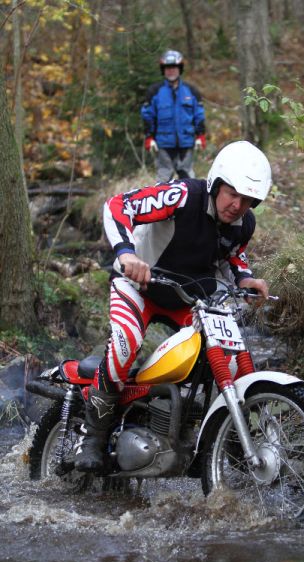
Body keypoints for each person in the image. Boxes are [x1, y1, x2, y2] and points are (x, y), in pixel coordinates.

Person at [74, 141, 272, 472]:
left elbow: (232, 255)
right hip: (139, 285)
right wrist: (126, 253)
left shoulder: (244, 223)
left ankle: (224, 436)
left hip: (189, 298)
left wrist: (245, 279)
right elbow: (118, 205)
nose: (237, 205)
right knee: (125, 345)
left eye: (247, 200)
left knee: (226, 354)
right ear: (216, 184)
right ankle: (91, 436)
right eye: (232, 194)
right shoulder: (181, 195)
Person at [141, 49, 206, 182]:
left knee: (188, 180)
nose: (171, 71)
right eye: (167, 68)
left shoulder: (191, 91)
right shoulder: (154, 92)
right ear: (163, 70)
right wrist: (149, 137)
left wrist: (201, 135)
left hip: (186, 143)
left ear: (179, 69)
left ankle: (190, 196)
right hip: (163, 145)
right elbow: (148, 116)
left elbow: (199, 115)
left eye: (174, 68)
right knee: (163, 180)